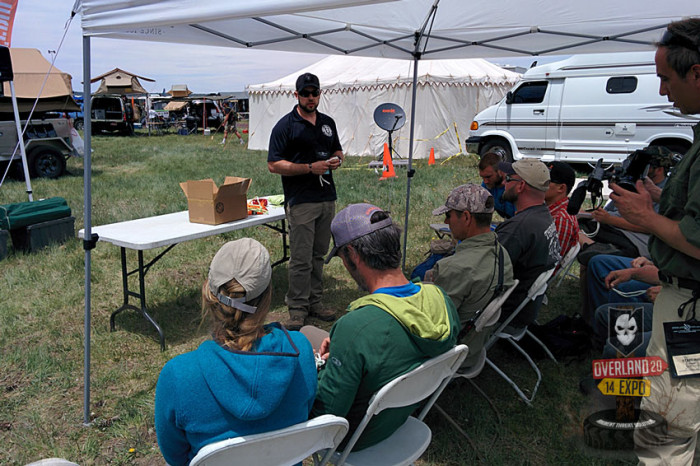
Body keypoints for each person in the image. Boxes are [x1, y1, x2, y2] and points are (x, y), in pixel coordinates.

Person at [609, 18, 700, 464]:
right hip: (683, 299)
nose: (664, 92)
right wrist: (661, 201)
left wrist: (646, 217)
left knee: (667, 426)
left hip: (691, 308)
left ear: (697, 73)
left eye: (667, 78)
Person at [307, 203, 460, 452]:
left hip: (354, 439)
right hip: (399, 419)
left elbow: (326, 414)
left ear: (352, 254)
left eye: (342, 257)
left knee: (304, 340)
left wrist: (312, 372)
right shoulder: (440, 299)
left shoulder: (355, 327)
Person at [154, 238, 317, 466]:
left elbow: (175, 457)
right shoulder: (300, 351)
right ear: (268, 295)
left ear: (209, 293)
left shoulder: (178, 375)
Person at [268, 72, 344, 330]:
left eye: (315, 93)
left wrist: (337, 160)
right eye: (306, 93)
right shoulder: (285, 125)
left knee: (318, 254)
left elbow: (337, 149)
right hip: (301, 200)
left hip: (326, 198)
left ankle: (315, 302)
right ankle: (297, 309)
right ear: (297, 95)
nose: (311, 98)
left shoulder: (327, 122)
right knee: (300, 258)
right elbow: (273, 164)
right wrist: (308, 168)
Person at [428, 184, 514, 368]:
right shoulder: (502, 253)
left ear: (466, 217)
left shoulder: (454, 268)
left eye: (449, 215)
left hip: (447, 357)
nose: (446, 221)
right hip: (473, 346)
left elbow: (431, 328)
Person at [578, 146, 674, 264]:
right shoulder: (633, 182)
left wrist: (609, 219)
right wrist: (587, 214)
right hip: (615, 230)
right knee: (574, 222)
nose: (635, 169)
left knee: (580, 229)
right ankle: (592, 247)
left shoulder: (666, 193)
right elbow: (610, 212)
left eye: (642, 166)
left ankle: (592, 247)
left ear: (659, 170)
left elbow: (649, 227)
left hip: (636, 239)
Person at [495, 159, 561, 328]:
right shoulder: (543, 216)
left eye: (508, 179)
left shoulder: (518, 229)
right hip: (525, 308)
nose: (503, 182)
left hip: (503, 310)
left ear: (520, 186)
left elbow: (486, 276)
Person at [545, 161, 580, 259]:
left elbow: (551, 262)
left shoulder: (561, 219)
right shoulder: (550, 211)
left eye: (546, 181)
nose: (539, 183)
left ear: (561, 188)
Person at [478, 151, 516, 219]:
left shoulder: (515, 185)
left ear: (500, 171)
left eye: (488, 177)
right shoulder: (487, 186)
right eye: (482, 177)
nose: (485, 181)